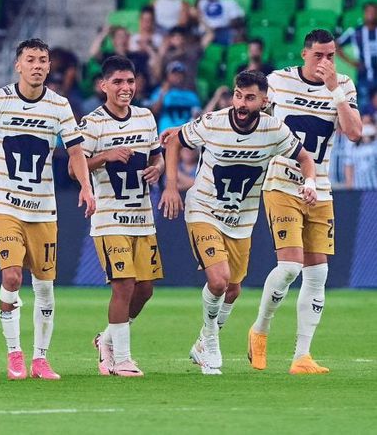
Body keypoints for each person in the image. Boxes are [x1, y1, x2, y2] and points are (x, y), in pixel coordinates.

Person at [159, 70, 317, 375]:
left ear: (264, 101)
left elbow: (305, 157)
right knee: (218, 281)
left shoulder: (274, 130)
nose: (241, 103)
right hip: (204, 209)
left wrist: (309, 182)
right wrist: (171, 186)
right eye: (238, 95)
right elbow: (175, 141)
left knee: (232, 290)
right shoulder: (213, 122)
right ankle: (210, 343)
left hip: (242, 220)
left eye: (249, 98)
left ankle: (202, 342)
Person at [0, 38, 94, 380]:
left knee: (45, 287)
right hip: (5, 204)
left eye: (42, 60)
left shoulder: (59, 105)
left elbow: (75, 151)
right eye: (30, 59)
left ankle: (40, 359)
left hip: (43, 208)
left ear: (49, 66)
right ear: (18, 65)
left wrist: (86, 187)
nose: (37, 65)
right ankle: (14, 354)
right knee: (11, 276)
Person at [249, 29, 363, 375]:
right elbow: (249, 112)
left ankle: (302, 356)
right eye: (318, 56)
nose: (325, 62)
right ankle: (260, 330)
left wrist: (335, 91)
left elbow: (355, 133)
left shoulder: (343, 85)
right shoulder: (278, 81)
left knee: (318, 274)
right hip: (282, 185)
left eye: (331, 56)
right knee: (290, 267)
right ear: (304, 54)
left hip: (321, 188)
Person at [78, 55, 164, 377]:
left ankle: (106, 339)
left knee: (145, 290)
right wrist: (105, 156)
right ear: (103, 86)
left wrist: (158, 169)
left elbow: (157, 157)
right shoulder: (92, 123)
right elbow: (74, 167)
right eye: (117, 82)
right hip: (109, 218)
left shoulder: (145, 117)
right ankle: (122, 359)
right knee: (124, 284)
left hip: (142, 218)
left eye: (130, 81)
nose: (125, 87)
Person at [337, 3, 377, 101]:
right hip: (364, 78)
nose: (371, 14)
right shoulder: (355, 32)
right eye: (368, 11)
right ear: (364, 13)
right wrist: (351, 62)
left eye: (374, 11)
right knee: (364, 106)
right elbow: (336, 45)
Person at [149, 61, 201, 132]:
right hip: (166, 133)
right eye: (174, 74)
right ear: (167, 76)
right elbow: (154, 111)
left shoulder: (191, 95)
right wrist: (163, 93)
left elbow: (198, 116)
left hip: (185, 134)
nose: (178, 77)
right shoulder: (160, 91)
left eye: (180, 74)